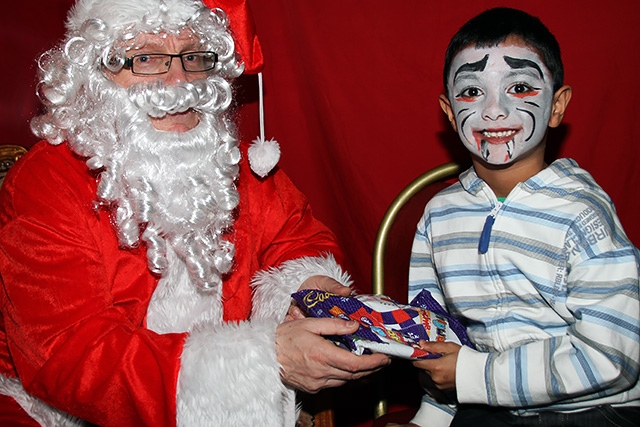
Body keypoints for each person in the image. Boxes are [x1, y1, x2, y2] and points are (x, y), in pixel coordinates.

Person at [0, 0, 390, 425]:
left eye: (195, 56)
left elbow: (296, 240)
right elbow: (70, 356)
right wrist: (267, 359)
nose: (179, 80)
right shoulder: (45, 182)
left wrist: (315, 295)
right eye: (146, 58)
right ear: (96, 73)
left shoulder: (237, 162)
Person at [395, 7, 640, 427]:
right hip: (486, 409)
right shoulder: (439, 217)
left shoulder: (582, 213)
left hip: (596, 412)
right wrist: (431, 417)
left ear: (558, 104)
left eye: (521, 86)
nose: (494, 110)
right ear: (449, 111)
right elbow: (440, 340)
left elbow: (613, 354)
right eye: (471, 92)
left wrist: (472, 374)